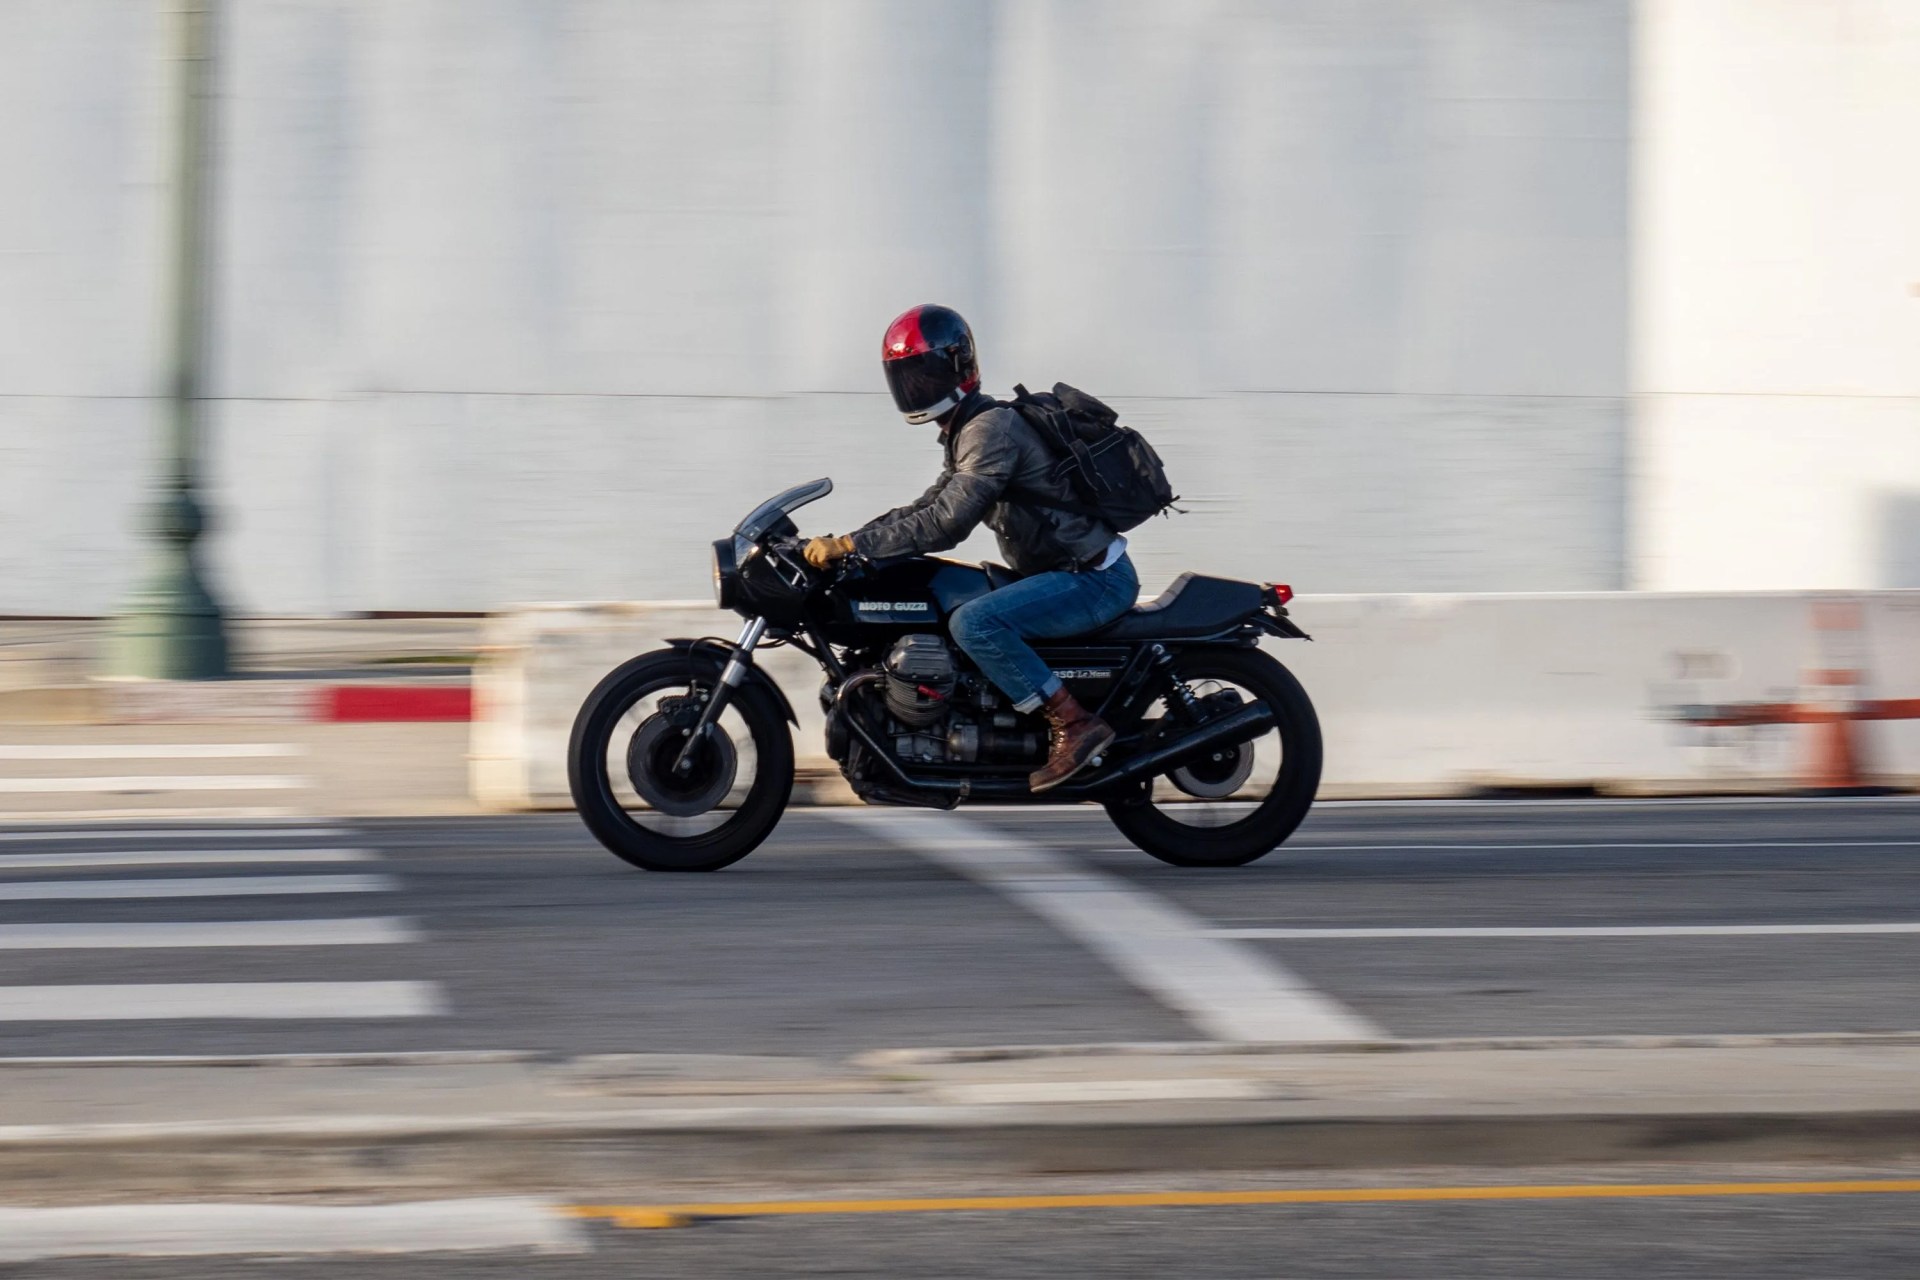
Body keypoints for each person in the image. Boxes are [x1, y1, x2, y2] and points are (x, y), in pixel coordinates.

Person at [802, 304, 1139, 792]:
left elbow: (945, 523)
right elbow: (927, 504)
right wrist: (851, 545)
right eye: (906, 376)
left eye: (924, 372)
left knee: (974, 622)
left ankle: (1075, 722)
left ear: (958, 367)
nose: (915, 387)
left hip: (1092, 579)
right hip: (1060, 573)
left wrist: (855, 544)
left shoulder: (989, 429)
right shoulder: (966, 430)